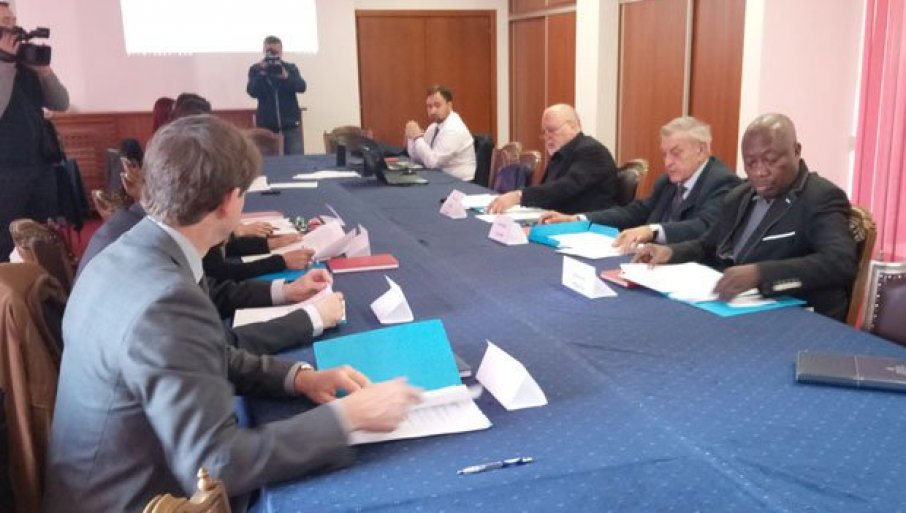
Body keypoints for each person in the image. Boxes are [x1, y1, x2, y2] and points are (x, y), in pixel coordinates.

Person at [44, 115, 423, 513]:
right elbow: (217, 464)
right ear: (229, 202)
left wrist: (299, 378)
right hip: (132, 500)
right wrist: (346, 418)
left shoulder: (127, 252)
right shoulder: (167, 300)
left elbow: (200, 355)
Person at [634, 113, 857, 321]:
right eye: (751, 163)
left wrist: (761, 274)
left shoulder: (820, 197)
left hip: (797, 316)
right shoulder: (740, 195)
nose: (760, 171)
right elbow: (708, 245)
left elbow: (840, 262)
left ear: (796, 151)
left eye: (770, 160)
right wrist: (670, 252)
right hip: (736, 308)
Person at [539, 117, 741, 253]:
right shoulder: (668, 181)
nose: (668, 162)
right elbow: (636, 212)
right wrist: (578, 218)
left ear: (702, 150)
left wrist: (652, 230)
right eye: (664, 154)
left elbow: (703, 227)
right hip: (648, 262)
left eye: (676, 153)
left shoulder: (722, 181)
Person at [0, 1, 69, 261]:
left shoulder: (26, 64)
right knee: (7, 239)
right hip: (6, 172)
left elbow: (60, 102)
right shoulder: (7, 67)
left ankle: (44, 282)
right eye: (4, 23)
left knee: (41, 236)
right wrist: (5, 64)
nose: (12, 27)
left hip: (40, 166)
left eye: (12, 20)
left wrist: (44, 72)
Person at [487, 104, 617, 215]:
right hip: (558, 218)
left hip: (585, 225)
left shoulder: (592, 151)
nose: (547, 137)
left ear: (573, 126)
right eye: (544, 132)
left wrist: (518, 196)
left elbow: (564, 188)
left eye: (552, 130)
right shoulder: (560, 153)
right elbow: (547, 189)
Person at [246, 35, 306, 155]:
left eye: (275, 52)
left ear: (281, 51)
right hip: (266, 129)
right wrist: (261, 74)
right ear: (264, 51)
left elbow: (301, 87)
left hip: (290, 127)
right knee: (268, 163)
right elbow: (252, 91)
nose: (272, 56)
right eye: (269, 52)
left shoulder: (291, 68)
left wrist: (287, 77)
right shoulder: (256, 69)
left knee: (295, 162)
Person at [404, 85, 476, 181]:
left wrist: (417, 137)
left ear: (449, 105)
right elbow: (419, 157)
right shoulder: (434, 127)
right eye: (429, 106)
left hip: (461, 183)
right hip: (441, 179)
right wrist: (411, 138)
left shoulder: (454, 129)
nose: (433, 111)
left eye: (437, 105)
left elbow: (433, 163)